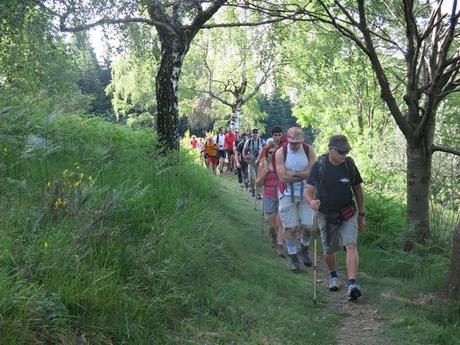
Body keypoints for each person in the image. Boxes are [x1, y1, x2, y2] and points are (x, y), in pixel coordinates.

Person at [305, 134, 365, 301]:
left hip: (348, 212)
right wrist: (312, 201)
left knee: (351, 245)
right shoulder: (320, 166)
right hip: (326, 213)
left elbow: (358, 190)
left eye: (346, 152)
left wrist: (361, 214)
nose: (343, 156)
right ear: (330, 150)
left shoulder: (349, 165)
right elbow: (308, 190)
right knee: (329, 249)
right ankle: (333, 275)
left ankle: (352, 283)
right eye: (340, 152)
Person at [275, 127, 316, 272]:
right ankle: (293, 258)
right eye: (293, 143)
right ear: (288, 140)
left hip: (306, 193)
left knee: (308, 227)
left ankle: (304, 248)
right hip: (287, 194)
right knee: (291, 228)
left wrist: (294, 174)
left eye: (298, 142)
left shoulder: (308, 150)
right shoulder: (281, 152)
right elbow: (283, 178)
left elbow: (312, 173)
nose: (295, 145)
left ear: (302, 140)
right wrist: (303, 174)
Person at [256, 139, 285, 257]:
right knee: (272, 225)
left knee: (280, 223)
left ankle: (280, 246)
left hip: (281, 194)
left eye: (275, 152)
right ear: (266, 153)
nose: (272, 154)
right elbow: (257, 183)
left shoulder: (281, 164)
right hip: (269, 194)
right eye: (270, 152)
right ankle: (273, 235)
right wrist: (264, 173)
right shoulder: (263, 164)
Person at [243, 128, 265, 198]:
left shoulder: (262, 141)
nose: (255, 134)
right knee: (252, 177)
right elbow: (244, 151)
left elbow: (265, 150)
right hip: (251, 161)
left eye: (256, 133)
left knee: (260, 177)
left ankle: (259, 192)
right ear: (252, 134)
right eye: (253, 133)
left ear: (258, 134)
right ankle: (252, 189)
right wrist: (246, 158)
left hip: (260, 162)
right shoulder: (248, 141)